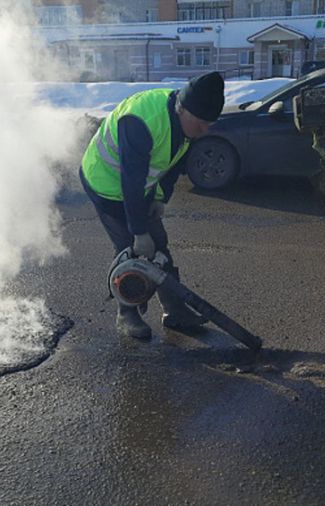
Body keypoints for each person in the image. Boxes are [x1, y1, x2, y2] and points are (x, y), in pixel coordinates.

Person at [80, 71, 225, 339]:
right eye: (202, 123)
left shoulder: (186, 122)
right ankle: (127, 315)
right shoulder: (141, 121)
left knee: (159, 243)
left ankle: (175, 311)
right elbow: (131, 182)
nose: (205, 131)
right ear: (182, 108)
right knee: (130, 250)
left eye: (210, 124)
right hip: (106, 185)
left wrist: (160, 198)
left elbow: (172, 163)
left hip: (137, 187)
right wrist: (138, 231)